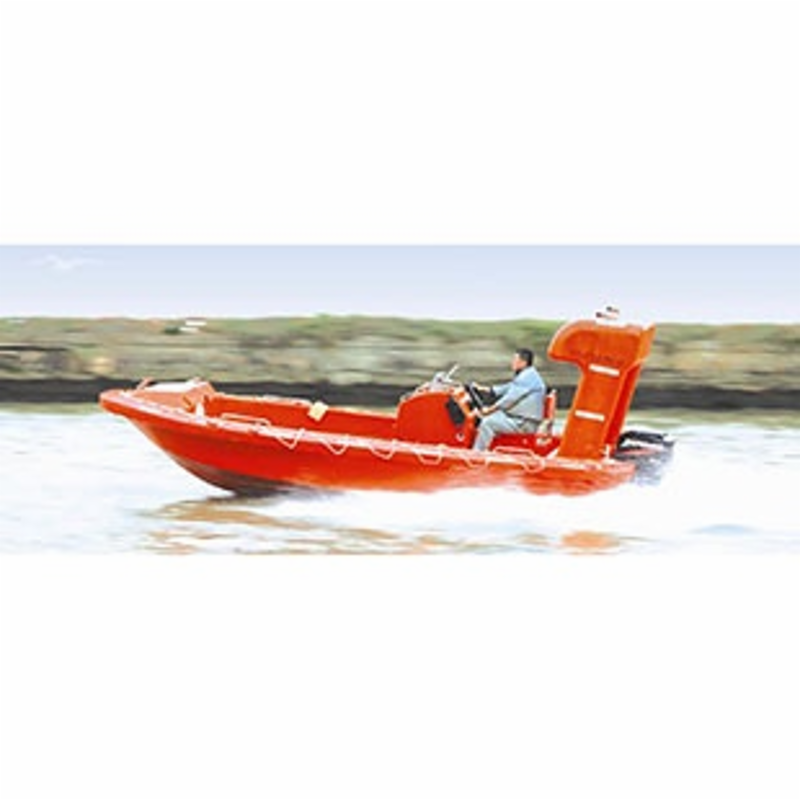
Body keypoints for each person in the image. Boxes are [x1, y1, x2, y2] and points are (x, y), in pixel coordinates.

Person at [472, 347, 546, 451]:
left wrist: (489, 410)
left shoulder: (526, 378)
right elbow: (509, 387)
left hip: (523, 424)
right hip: (519, 419)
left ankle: (477, 453)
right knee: (489, 417)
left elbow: (509, 399)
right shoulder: (528, 375)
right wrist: (487, 389)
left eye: (515, 360)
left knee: (487, 423)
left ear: (523, 363)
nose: (512, 363)